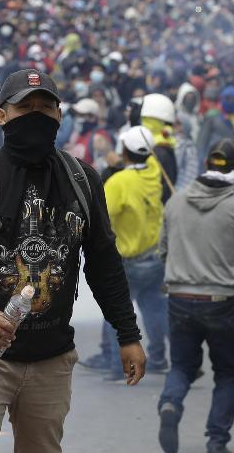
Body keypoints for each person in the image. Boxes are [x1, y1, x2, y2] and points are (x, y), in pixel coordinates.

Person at [0, 69, 144, 452]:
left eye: (45, 107)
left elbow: (103, 262)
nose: (36, 115)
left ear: (59, 116)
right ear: (2, 117)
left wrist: (128, 334)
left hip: (51, 357)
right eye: (25, 108)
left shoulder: (82, 181)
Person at [157, 138, 234, 453]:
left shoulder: (176, 202)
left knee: (182, 366)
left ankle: (170, 404)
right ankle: (216, 442)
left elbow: (163, 252)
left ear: (207, 164)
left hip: (179, 298)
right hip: (219, 302)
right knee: (226, 373)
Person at [83, 126, 170, 378]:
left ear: (125, 151)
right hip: (154, 258)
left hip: (128, 261)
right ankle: (159, 357)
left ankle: (115, 363)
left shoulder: (119, 182)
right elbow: (145, 155)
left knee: (116, 312)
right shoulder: (155, 172)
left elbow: (99, 215)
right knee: (154, 308)